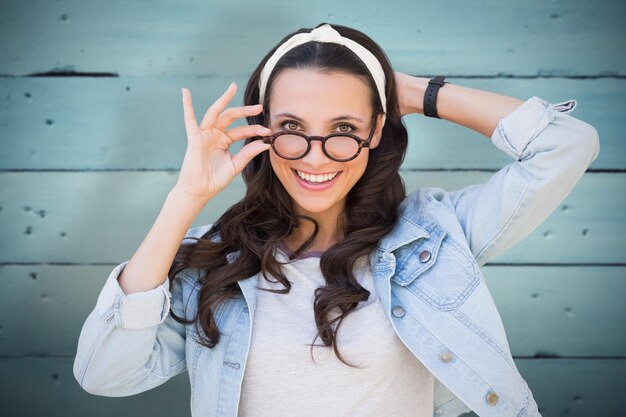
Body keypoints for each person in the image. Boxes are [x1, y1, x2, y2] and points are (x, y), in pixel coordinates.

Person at [72, 23, 600, 417]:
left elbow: (566, 144)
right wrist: (184, 197)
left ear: (375, 130)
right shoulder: (214, 265)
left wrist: (413, 93)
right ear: (263, 131)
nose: (316, 157)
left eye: (344, 127)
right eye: (292, 126)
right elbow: (104, 373)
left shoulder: (436, 236)